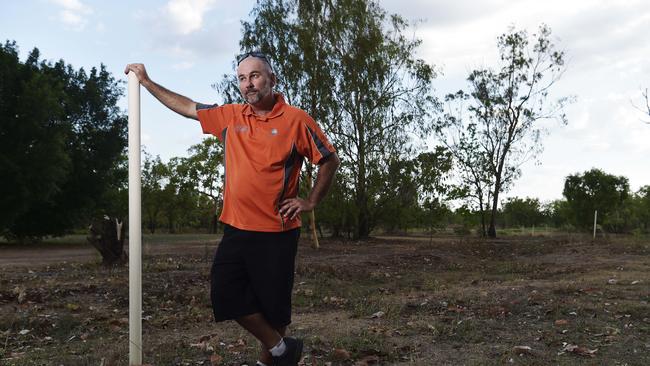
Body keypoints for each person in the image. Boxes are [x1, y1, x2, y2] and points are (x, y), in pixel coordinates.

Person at [124, 52, 340, 366]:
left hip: (277, 233)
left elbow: (329, 160)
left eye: (255, 76)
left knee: (274, 311)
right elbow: (186, 107)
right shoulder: (230, 116)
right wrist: (146, 82)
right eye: (241, 78)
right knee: (225, 294)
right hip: (237, 229)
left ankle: (272, 358)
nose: (248, 84)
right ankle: (282, 350)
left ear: (271, 80)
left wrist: (310, 201)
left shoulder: (296, 120)